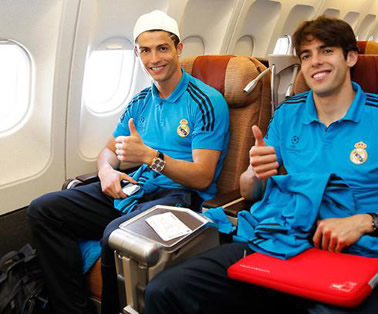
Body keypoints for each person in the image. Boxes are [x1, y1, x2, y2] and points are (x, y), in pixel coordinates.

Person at [142, 16, 378, 314]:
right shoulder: (288, 113)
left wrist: (366, 221)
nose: (315, 61)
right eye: (306, 55)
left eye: (327, 50)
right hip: (280, 241)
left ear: (351, 57)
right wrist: (254, 172)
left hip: (354, 255)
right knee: (165, 291)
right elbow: (251, 192)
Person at [27, 10, 230, 314]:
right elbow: (107, 151)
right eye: (145, 50)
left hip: (180, 199)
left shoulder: (205, 101)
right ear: (137, 53)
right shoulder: (140, 102)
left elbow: (202, 177)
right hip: (135, 189)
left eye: (162, 48)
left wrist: (150, 157)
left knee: (116, 236)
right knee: (44, 210)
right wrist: (107, 172)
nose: (154, 59)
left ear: (178, 49)